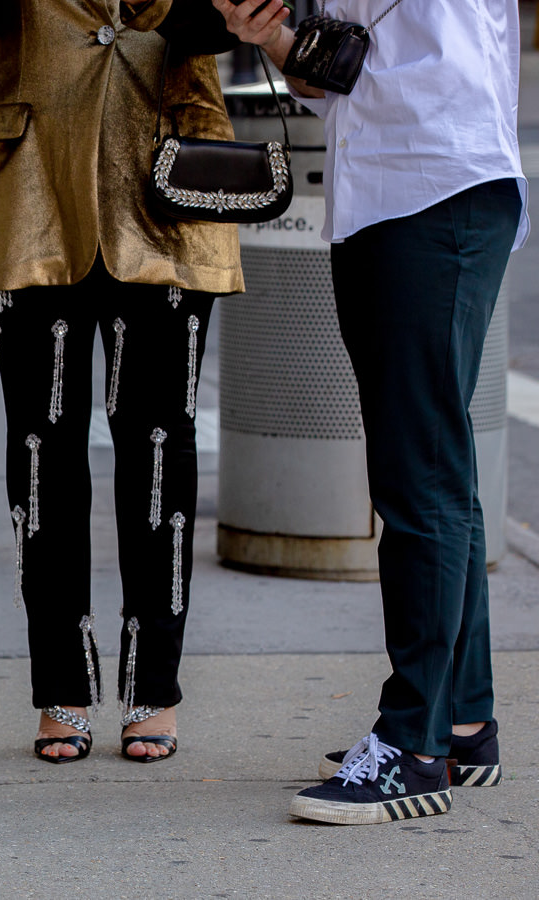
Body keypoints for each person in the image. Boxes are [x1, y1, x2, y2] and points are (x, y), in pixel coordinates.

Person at [0, 0, 245, 763]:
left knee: (159, 452)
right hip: (31, 189)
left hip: (169, 187)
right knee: (41, 455)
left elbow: (227, 18)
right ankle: (62, 685)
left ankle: (153, 685)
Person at [214, 0, 528, 825]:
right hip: (394, 192)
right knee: (435, 462)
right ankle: (462, 722)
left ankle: (411, 750)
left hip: (433, 188)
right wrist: (271, 34)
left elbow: (423, 64)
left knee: (418, 473)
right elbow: (347, 73)